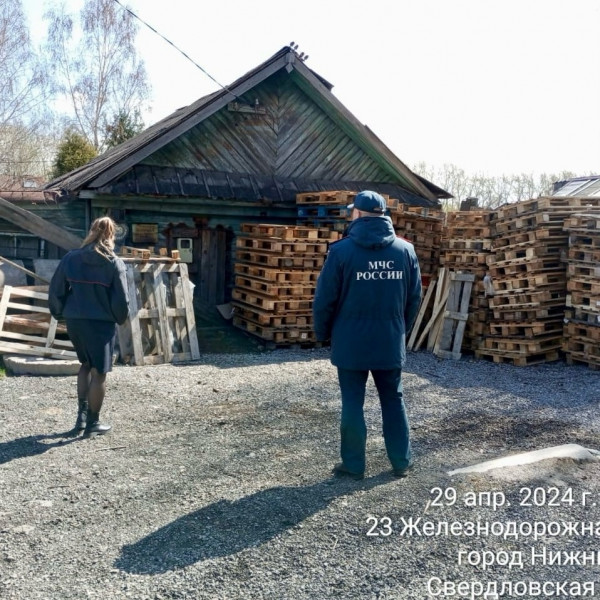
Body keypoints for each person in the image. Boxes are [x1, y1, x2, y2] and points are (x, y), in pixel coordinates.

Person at [312, 190, 422, 480]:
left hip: (350, 343)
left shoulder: (341, 251)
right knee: (393, 400)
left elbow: (325, 300)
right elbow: (414, 299)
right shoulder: (405, 251)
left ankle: (353, 465)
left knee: (352, 402)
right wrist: (400, 329)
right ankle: (401, 462)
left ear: (358, 214)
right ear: (383, 214)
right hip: (389, 340)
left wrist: (322, 333)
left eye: (352, 211)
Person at [49, 216, 129, 438]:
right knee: (100, 372)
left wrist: (59, 312)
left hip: (75, 321)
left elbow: (56, 288)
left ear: (92, 231)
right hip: (100, 324)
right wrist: (119, 318)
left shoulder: (70, 258)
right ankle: (93, 423)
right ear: (111, 235)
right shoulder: (114, 262)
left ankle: (81, 419)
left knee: (84, 365)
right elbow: (121, 299)